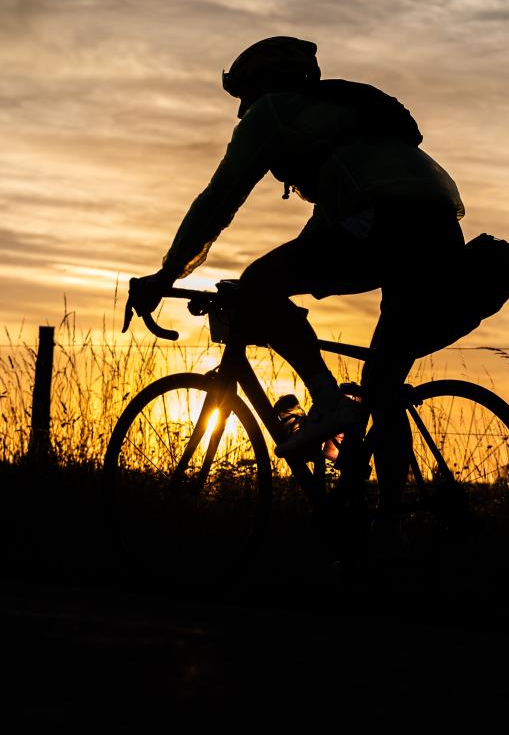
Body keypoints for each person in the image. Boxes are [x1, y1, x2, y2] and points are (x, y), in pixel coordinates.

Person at [131, 36, 467, 527]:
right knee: (382, 384)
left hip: (386, 221)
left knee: (260, 280)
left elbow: (219, 199)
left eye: (245, 95)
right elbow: (327, 228)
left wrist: (168, 274)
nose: (243, 111)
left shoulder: (274, 112)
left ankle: (328, 402)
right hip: (437, 232)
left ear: (265, 87)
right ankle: (385, 530)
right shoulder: (338, 123)